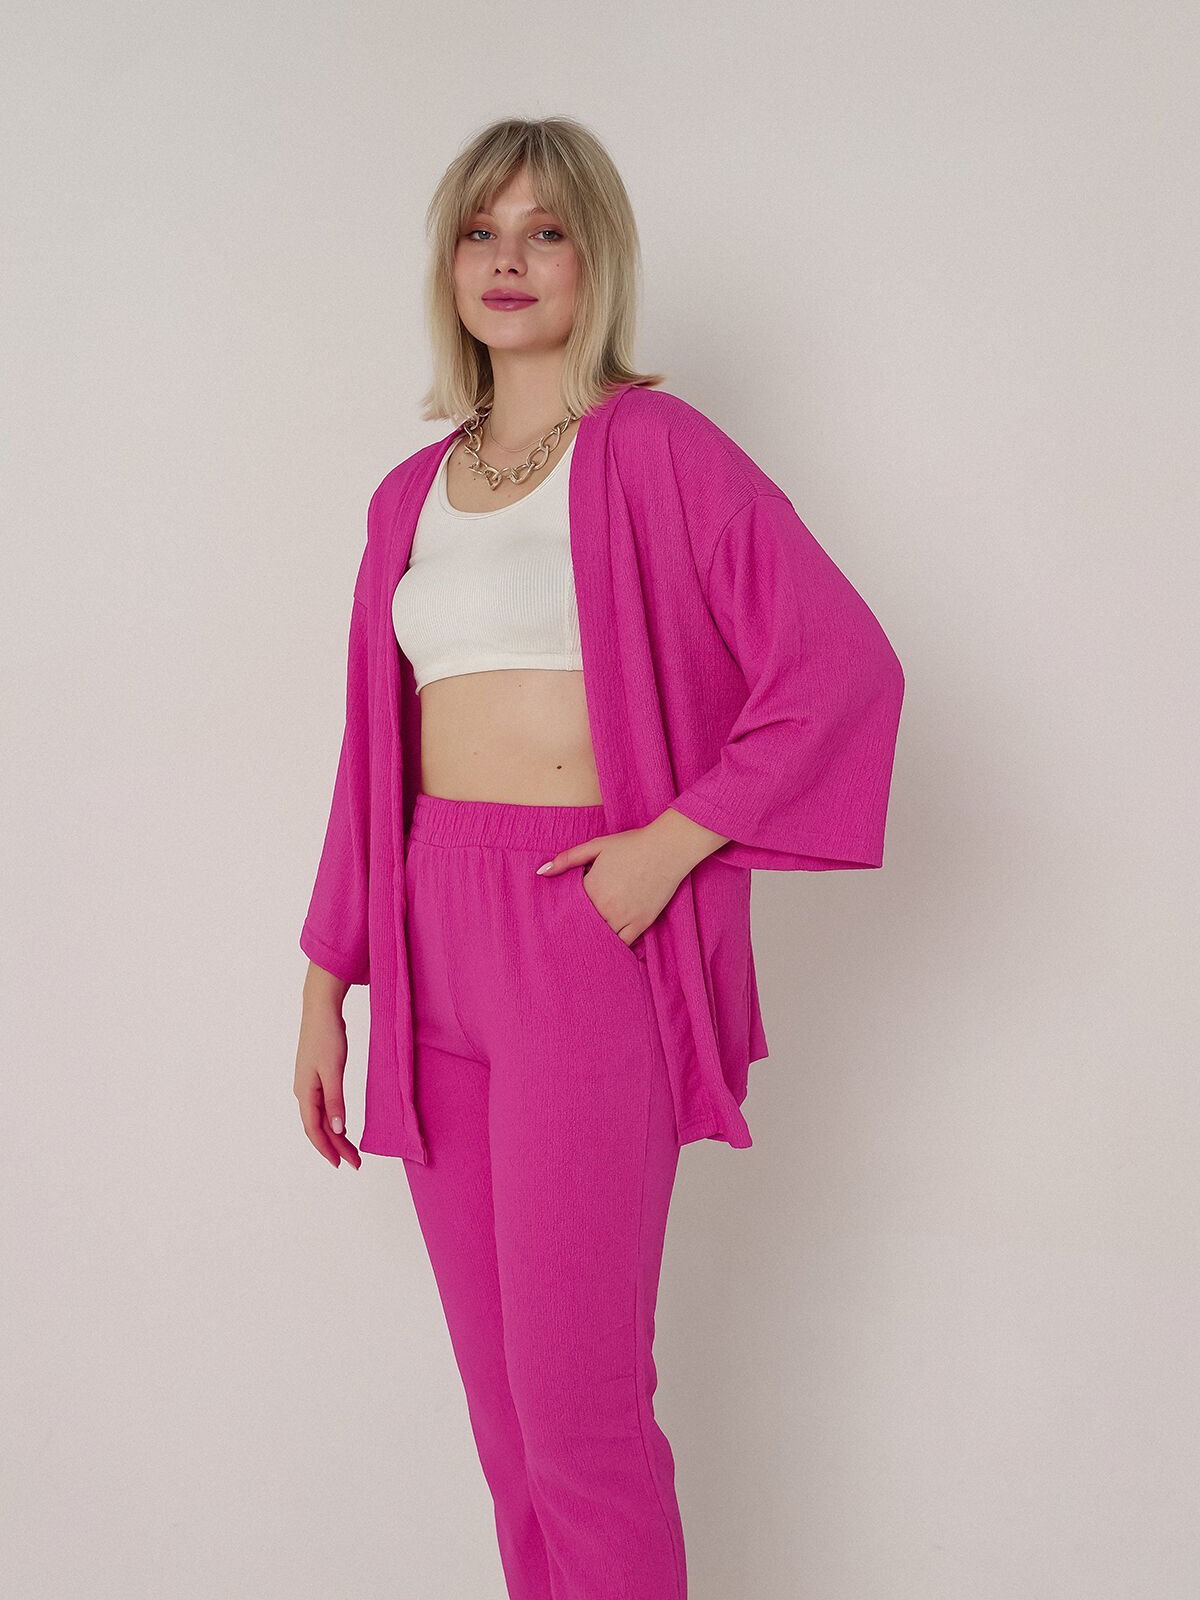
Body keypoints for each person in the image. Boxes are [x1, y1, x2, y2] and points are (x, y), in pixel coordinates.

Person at [294, 115, 905, 1600]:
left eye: (546, 231)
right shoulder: (406, 495)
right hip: (428, 932)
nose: (508, 260)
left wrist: (669, 848)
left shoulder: (656, 450)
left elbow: (842, 669)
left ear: (596, 260)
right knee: (510, 1440)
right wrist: (326, 980)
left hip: (581, 930)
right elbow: (372, 754)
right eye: (480, 232)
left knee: (581, 1423)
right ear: (448, 265)